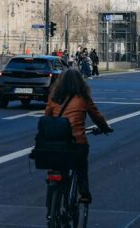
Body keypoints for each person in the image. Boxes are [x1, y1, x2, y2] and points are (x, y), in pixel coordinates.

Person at [43, 69, 112, 203]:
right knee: (81, 166)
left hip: (55, 144)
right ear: (80, 82)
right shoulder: (83, 98)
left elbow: (47, 118)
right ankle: (84, 194)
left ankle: (51, 211)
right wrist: (104, 128)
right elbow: (96, 116)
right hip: (77, 143)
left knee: (56, 168)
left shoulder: (54, 97)